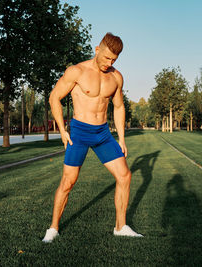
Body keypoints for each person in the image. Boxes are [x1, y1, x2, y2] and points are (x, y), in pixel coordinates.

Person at [42, 32, 143, 243]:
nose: (109, 62)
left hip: (103, 134)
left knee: (124, 176)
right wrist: (62, 129)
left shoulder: (116, 77)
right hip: (79, 132)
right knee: (68, 182)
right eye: (106, 57)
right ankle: (53, 228)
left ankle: (120, 226)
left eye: (114, 60)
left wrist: (121, 139)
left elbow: (118, 107)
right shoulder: (76, 71)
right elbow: (54, 97)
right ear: (97, 50)